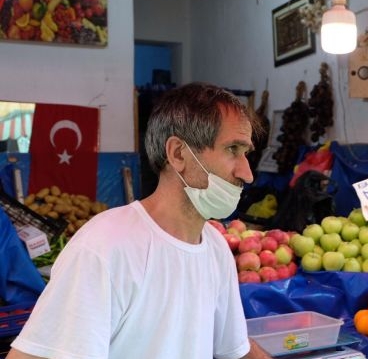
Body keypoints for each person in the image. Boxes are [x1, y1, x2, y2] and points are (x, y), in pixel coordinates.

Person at [7, 82, 272, 359]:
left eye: (246, 153)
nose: (247, 173)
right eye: (232, 149)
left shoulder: (216, 250)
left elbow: (236, 350)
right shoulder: (105, 247)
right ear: (178, 153)